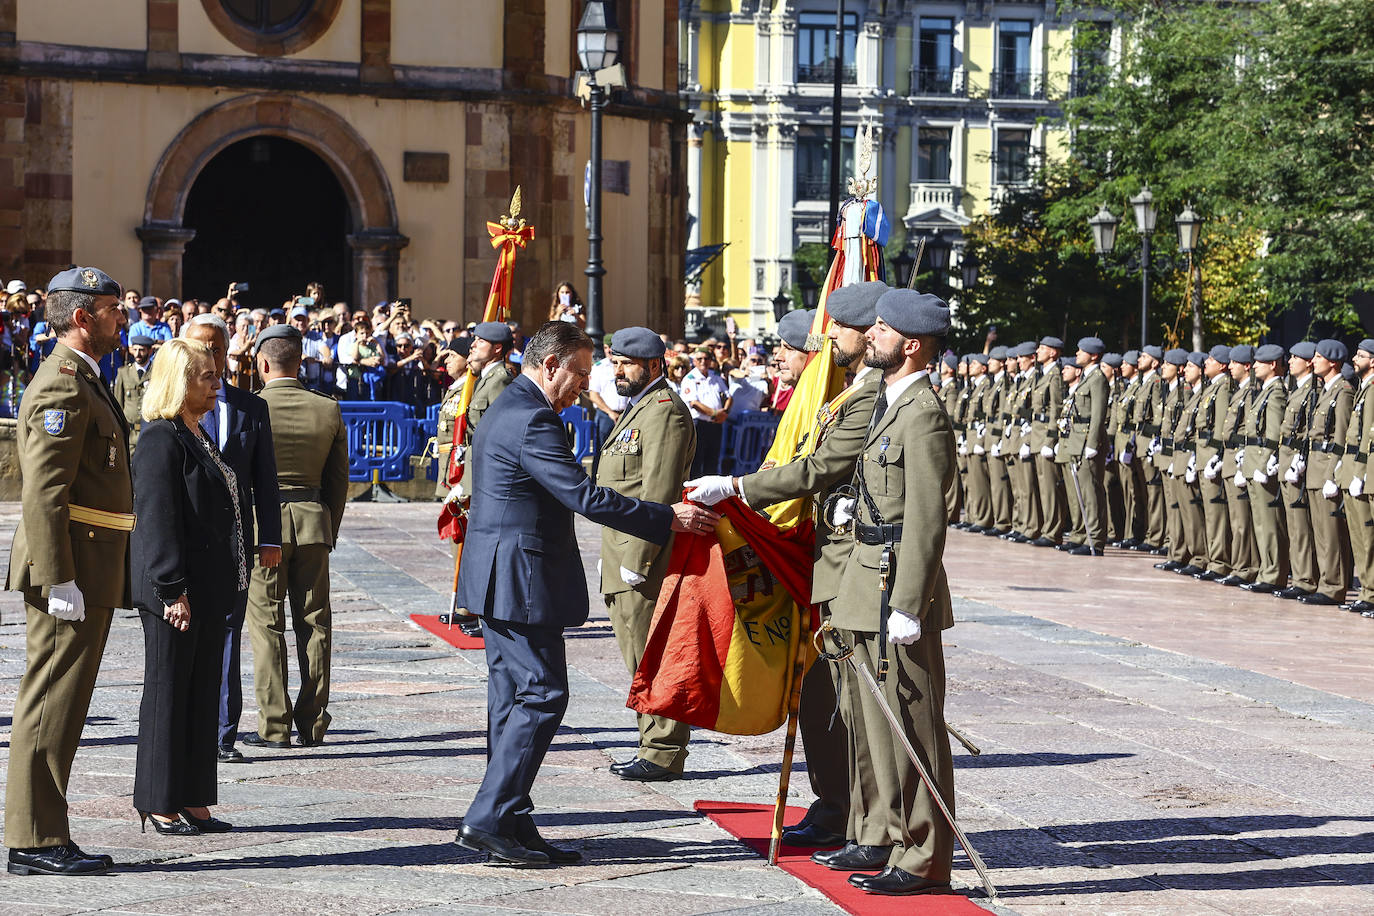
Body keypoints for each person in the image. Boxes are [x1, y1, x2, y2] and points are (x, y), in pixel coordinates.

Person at [453, 321, 719, 867]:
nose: (584, 385)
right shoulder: (532, 418)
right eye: (578, 372)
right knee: (541, 696)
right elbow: (583, 496)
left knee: (511, 701)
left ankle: (511, 817)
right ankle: (487, 818)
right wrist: (668, 518)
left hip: (502, 574)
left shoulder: (512, 405)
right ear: (550, 364)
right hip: (521, 577)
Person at [686, 280, 887, 849]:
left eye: (803, 343)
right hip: (827, 564)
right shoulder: (836, 397)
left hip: (851, 570)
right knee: (826, 693)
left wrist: (737, 488)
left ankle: (866, 820)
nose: (785, 355)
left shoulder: (865, 396)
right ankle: (837, 806)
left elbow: (819, 472)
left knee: (853, 701)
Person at [824, 287, 956, 896]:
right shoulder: (888, 403)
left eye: (880, 328)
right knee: (879, 725)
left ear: (913, 344)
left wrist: (911, 603)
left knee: (913, 725)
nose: (867, 333)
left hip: (896, 585)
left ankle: (925, 855)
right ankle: (895, 838)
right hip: (867, 573)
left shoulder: (923, 412)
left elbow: (928, 517)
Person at [5, 266, 130, 876]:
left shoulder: (85, 379)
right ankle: (33, 838)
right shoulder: (62, 384)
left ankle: (47, 829)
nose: (121, 318)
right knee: (50, 699)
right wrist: (58, 579)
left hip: (86, 562)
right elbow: (44, 492)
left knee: (66, 703)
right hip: (69, 564)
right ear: (82, 316)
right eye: (112, 308)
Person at [130, 338, 245, 837]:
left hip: (208, 588)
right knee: (168, 691)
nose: (216, 383)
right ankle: (159, 800)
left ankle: (194, 796)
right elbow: (157, 519)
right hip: (175, 591)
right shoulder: (161, 437)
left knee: (200, 694)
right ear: (180, 382)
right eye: (205, 376)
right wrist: (171, 587)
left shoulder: (196, 433)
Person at [593, 327, 696, 781]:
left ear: (654, 365)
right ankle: (649, 743)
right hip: (620, 549)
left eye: (627, 363)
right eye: (614, 362)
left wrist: (638, 558)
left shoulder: (664, 412)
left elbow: (658, 492)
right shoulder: (639, 408)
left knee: (651, 654)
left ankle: (663, 749)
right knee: (637, 656)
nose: (618, 370)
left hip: (643, 557)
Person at [245, 325, 350, 748]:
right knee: (315, 624)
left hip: (260, 529)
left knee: (266, 626)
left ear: (263, 363)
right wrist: (328, 528)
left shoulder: (250, 408)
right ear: (300, 361)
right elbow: (338, 481)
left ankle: (274, 725)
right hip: (312, 523)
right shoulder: (327, 409)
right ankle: (312, 723)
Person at [183, 315, 282, 762]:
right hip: (188, 540)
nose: (213, 358)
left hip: (236, 542)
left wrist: (272, 538)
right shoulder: (170, 407)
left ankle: (223, 732)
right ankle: (187, 723)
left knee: (228, 632)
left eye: (219, 348)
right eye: (203, 348)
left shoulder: (250, 408)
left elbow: (266, 479)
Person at [1301, 339, 1353, 605]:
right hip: (1315, 467)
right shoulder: (1324, 391)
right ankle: (1326, 582)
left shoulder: (1343, 392)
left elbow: (1340, 437)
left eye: (1319, 357)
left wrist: (1333, 474)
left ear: (1333, 361)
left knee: (1331, 533)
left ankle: (1333, 587)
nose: (1313, 361)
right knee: (1320, 531)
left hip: (1326, 469)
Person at [1240, 344, 1290, 594]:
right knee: (1259, 521)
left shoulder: (1276, 392)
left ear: (1273, 365)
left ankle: (1273, 574)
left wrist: (1265, 461)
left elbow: (1272, 433)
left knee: (1269, 523)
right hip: (1252, 460)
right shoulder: (1264, 391)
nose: (1255, 365)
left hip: (1261, 461)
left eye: (1260, 362)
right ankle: (1265, 570)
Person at [681, 347, 730, 477]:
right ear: (694, 361)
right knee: (696, 461)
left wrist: (725, 412)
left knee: (712, 461)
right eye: (699, 359)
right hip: (699, 424)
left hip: (716, 424)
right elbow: (694, 403)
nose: (703, 361)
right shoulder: (689, 378)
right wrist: (715, 413)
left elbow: (728, 397)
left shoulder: (716, 377)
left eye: (706, 358)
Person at [113, 334, 156, 448]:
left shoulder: (157, 373)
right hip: (130, 434)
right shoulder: (124, 372)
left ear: (150, 351)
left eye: (142, 350)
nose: (137, 354)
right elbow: (118, 403)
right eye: (135, 349)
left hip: (151, 432)